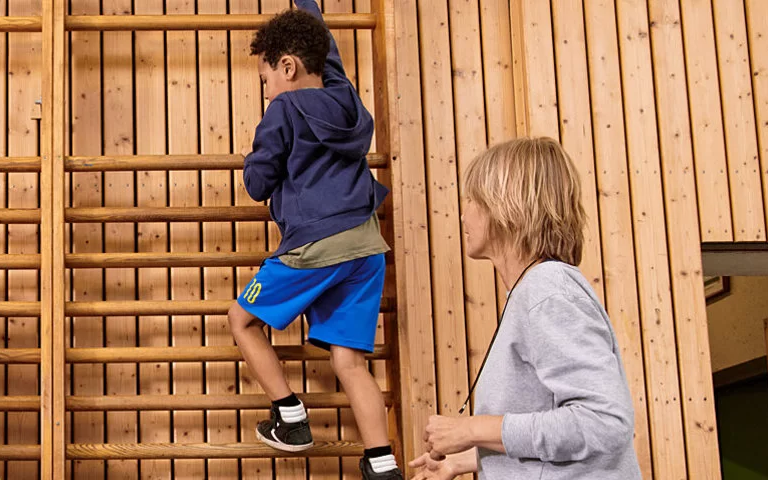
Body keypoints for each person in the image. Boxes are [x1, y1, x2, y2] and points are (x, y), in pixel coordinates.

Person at [228, 0, 398, 478]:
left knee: (241, 320)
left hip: (315, 247)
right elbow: (330, 51)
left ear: (287, 66)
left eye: (265, 80)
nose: (267, 92)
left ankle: (291, 417)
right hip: (366, 248)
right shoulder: (344, 95)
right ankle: (382, 465)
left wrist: (253, 155)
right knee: (350, 362)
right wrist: (308, 7)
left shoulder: (283, 110)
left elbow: (258, 184)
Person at [408, 137, 639, 479]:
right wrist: (467, 460)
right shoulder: (534, 290)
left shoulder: (547, 291)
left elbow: (604, 423)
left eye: (471, 200)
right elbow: (548, 433)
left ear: (504, 207)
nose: (462, 214)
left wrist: (472, 429)